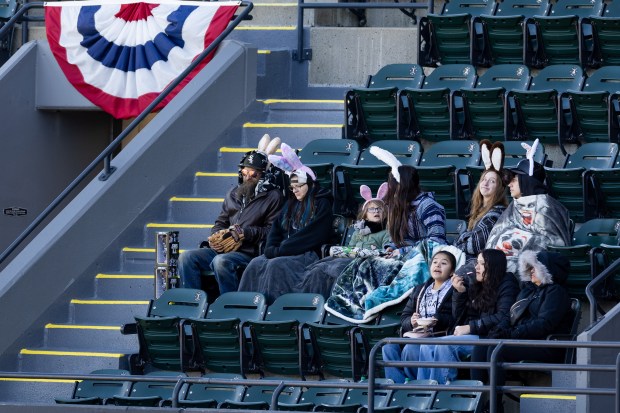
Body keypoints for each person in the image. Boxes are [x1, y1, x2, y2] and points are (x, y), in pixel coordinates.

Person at [325, 146, 449, 323]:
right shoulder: (399, 207)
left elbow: (436, 241)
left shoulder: (428, 206)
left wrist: (404, 251)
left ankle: (372, 304)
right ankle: (355, 304)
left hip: (423, 258)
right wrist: (391, 248)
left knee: (380, 268)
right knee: (364, 264)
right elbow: (396, 238)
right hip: (403, 255)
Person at [179, 135, 284, 296]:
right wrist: (217, 236)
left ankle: (230, 305)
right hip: (224, 249)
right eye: (244, 173)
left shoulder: (273, 196)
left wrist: (245, 233)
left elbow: (272, 231)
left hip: (250, 252)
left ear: (263, 175)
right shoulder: (233, 193)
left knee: (220, 262)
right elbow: (220, 221)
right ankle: (192, 304)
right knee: (187, 257)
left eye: (253, 174)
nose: (247, 177)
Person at [237, 143, 334, 303]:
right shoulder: (291, 203)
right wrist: (270, 248)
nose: (295, 190)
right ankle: (246, 307)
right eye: (292, 187)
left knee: (276, 265)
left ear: (309, 185)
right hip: (283, 251)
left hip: (306, 254)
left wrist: (281, 250)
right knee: (255, 264)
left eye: (299, 187)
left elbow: (312, 235)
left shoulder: (322, 204)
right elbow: (276, 229)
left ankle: (273, 310)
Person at [416, 249, 519, 384]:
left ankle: (440, 395)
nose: (476, 267)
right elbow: (461, 316)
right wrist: (460, 293)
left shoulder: (507, 284)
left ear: (493, 266)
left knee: (444, 346)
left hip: (490, 337)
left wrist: (470, 327)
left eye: (481, 264)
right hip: (476, 334)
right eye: (477, 263)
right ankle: (423, 394)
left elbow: (503, 317)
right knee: (425, 346)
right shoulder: (480, 285)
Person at [484, 139, 572, 273]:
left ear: (526, 181)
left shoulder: (546, 206)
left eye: (514, 180)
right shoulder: (516, 205)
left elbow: (549, 243)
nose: (509, 184)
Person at [297, 184, 391, 299]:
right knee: (317, 269)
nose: (376, 211)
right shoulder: (358, 231)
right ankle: (306, 298)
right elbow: (349, 249)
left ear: (385, 213)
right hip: (349, 259)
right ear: (365, 215)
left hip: (364, 264)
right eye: (371, 209)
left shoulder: (385, 232)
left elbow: (386, 251)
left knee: (332, 270)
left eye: (379, 209)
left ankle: (326, 300)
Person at [382, 250, 457, 383]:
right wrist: (411, 321)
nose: (438, 265)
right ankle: (400, 388)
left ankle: (415, 388)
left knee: (411, 348)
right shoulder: (420, 289)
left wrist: (437, 319)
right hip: (416, 335)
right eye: (435, 262)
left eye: (443, 263)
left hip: (437, 337)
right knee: (387, 347)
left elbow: (457, 318)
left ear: (452, 271)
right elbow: (404, 317)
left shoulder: (455, 290)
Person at [453, 140, 507, 267]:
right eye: (484, 179)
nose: (486, 183)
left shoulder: (496, 213)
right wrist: (465, 238)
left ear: (499, 188)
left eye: (492, 181)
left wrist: (460, 241)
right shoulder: (479, 209)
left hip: (480, 265)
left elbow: (474, 246)